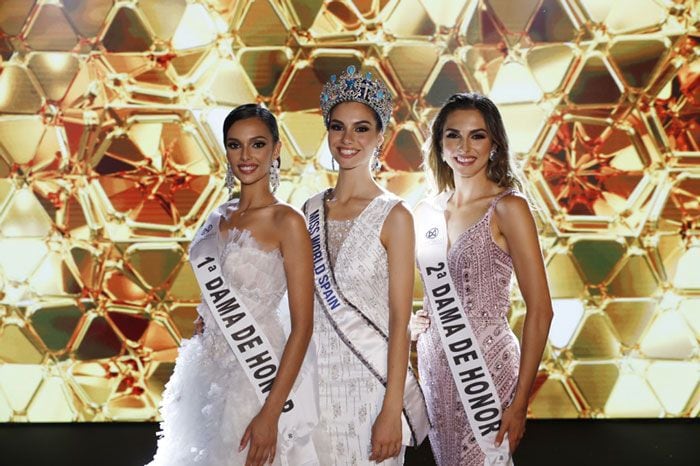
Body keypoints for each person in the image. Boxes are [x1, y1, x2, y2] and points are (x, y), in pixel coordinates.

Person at [147, 104, 319, 466]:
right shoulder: (217, 216)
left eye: (257, 144)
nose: (245, 155)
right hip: (205, 372)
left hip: (256, 375)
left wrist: (270, 414)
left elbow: (303, 327)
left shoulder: (287, 221)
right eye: (235, 145)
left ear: (276, 150)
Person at [412, 92, 553, 466]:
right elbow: (430, 290)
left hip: (485, 371)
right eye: (453, 135)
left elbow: (541, 311)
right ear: (439, 145)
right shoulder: (425, 212)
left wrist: (520, 403)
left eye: (477, 135)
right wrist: (414, 320)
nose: (464, 146)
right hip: (434, 371)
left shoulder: (508, 207)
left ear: (494, 145)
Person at [303, 66, 429, 465]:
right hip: (311, 389)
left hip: (369, 389)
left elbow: (399, 321)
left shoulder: (395, 216)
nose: (347, 139)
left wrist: (392, 411)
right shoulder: (308, 210)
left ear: (380, 137)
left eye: (361, 129)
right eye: (338, 127)